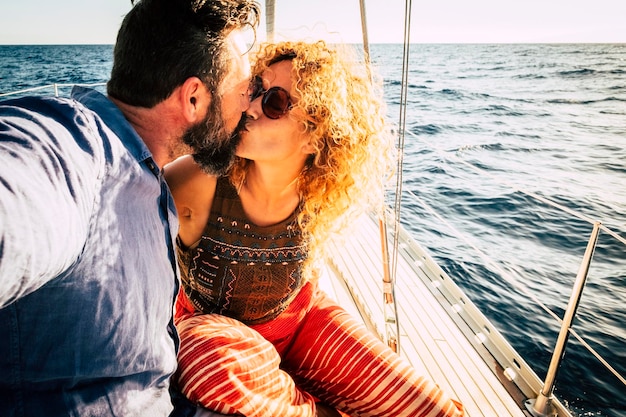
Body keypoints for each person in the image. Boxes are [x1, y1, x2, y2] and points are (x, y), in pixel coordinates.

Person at [165, 40, 464, 417]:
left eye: (275, 102)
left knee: (430, 409)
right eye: (254, 90)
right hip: (215, 340)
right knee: (206, 365)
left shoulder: (320, 193)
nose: (251, 107)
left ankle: (281, 392)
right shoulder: (199, 180)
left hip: (300, 328)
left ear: (315, 132)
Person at [0, 0, 260, 416]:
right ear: (193, 98)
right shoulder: (75, 152)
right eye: (245, 90)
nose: (250, 106)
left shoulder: (147, 174)